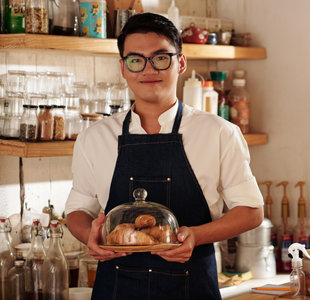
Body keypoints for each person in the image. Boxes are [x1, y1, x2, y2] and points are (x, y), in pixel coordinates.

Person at [64, 12, 264, 299]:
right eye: (136, 60)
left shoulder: (220, 133)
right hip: (116, 290)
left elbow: (251, 212)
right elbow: (77, 210)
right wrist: (89, 237)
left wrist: (195, 236)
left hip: (192, 288)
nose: (148, 69)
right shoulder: (94, 137)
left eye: (160, 57)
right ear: (123, 68)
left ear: (180, 62)